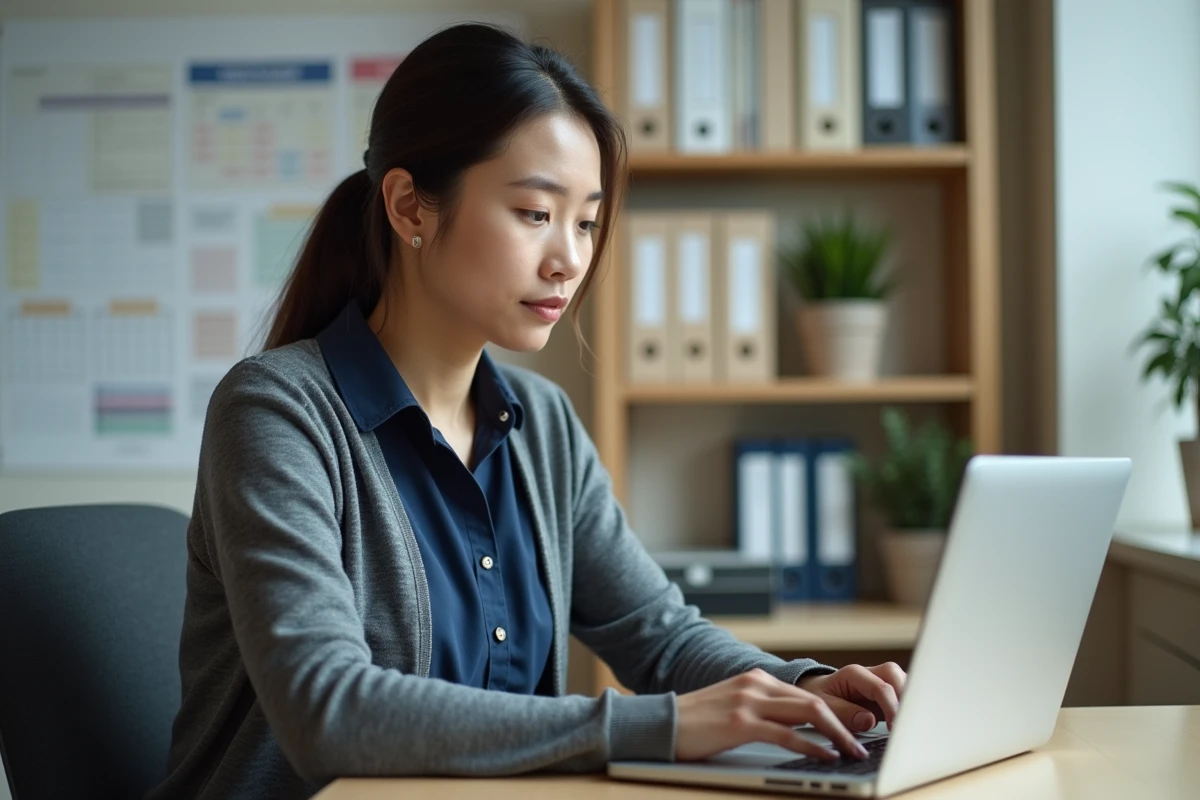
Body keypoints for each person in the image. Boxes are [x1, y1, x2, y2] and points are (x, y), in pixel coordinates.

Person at [148, 22, 906, 800]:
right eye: (536, 214)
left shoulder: (540, 424)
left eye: (585, 221)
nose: (570, 259)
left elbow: (660, 635)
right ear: (410, 205)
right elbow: (327, 708)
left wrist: (803, 685)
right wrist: (659, 726)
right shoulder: (275, 412)